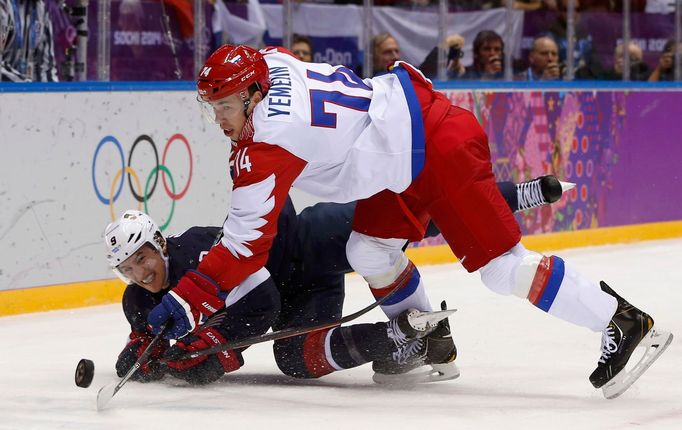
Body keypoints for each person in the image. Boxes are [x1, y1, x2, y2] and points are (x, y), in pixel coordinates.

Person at [149, 44, 671, 398]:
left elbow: (245, 247)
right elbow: (267, 57)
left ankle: (622, 321)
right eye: (211, 105)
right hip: (396, 152)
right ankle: (428, 339)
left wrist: (184, 298)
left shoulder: (267, 144)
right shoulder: (270, 63)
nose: (219, 118)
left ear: (255, 95)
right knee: (369, 250)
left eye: (226, 106)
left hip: (433, 149)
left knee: (501, 269)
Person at [110, 176, 566, 384]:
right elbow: (158, 348)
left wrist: (210, 343)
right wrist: (147, 361)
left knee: (395, 222)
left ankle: (521, 191)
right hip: (300, 297)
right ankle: (400, 335)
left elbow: (260, 304)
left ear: (161, 244)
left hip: (303, 250)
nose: (140, 272)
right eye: (127, 268)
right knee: (295, 358)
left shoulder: (198, 252)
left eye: (143, 257)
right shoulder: (138, 300)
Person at [0, 0, 58, 81]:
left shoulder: (41, 9)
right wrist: (23, 85)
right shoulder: (3, 5)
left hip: (26, 89)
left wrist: (56, 92)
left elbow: (46, 69)